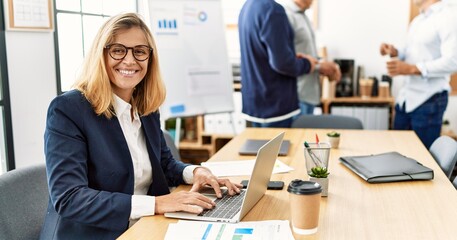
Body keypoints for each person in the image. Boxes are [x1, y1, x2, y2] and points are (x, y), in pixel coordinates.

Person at [40, 13, 241, 239]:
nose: (129, 60)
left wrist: (195, 172)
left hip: (145, 226)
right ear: (101, 54)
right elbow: (70, 198)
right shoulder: (68, 110)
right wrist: (156, 204)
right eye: (118, 50)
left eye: (140, 51)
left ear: (149, 58)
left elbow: (163, 163)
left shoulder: (146, 106)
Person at [380, 0, 457, 149]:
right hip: (405, 100)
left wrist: (411, 69)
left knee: (422, 163)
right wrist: (395, 52)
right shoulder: (418, 21)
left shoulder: (449, 16)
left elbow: (453, 62)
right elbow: (413, 54)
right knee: (397, 155)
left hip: (429, 100)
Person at [238, 0, 317, 128]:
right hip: (275, 106)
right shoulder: (273, 10)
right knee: (282, 148)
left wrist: (292, 57)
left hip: (256, 104)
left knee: (260, 148)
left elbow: (264, 54)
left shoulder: (247, 7)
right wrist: (307, 64)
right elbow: (282, 63)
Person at [280, 0, 341, 115]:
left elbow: (306, 53)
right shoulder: (286, 16)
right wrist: (320, 67)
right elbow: (286, 59)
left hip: (309, 95)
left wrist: (324, 65)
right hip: (297, 96)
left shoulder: (304, 17)